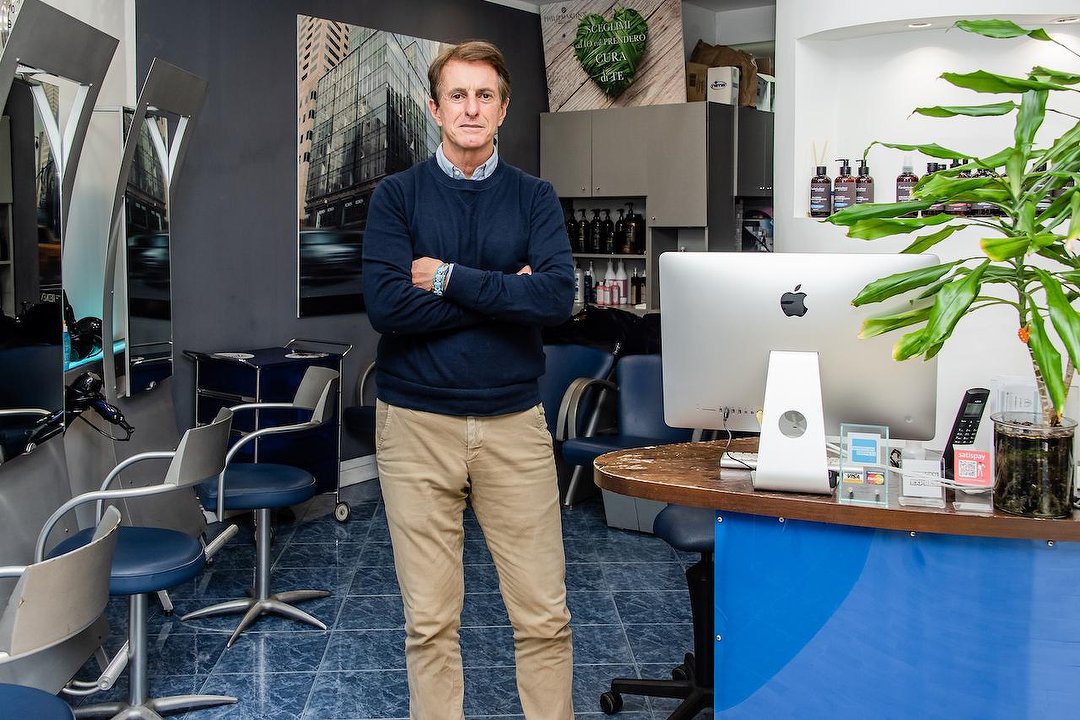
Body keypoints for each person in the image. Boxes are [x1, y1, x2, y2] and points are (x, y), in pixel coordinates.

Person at [361, 40, 576, 720]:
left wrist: (448, 278)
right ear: (435, 108)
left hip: (514, 426)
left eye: (485, 95)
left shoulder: (535, 198)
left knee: (544, 617)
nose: (471, 108)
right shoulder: (396, 197)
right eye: (458, 95)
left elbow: (555, 298)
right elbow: (388, 308)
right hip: (415, 428)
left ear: (504, 109)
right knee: (429, 623)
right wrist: (505, 294)